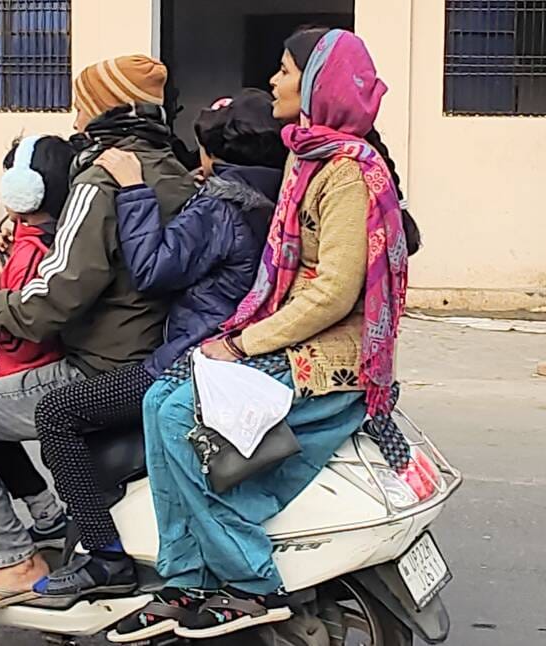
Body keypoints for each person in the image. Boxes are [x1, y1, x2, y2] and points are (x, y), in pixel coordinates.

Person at [111, 28, 419, 642]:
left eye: (284, 71)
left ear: (317, 85)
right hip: (289, 338)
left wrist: (242, 343)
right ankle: (185, 579)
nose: (274, 81)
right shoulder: (310, 159)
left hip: (328, 357)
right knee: (156, 400)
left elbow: (333, 290)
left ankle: (251, 585)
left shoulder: (347, 173)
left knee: (180, 418)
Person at [0, 54, 196, 618]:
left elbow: (52, 300)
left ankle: (13, 558)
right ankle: (49, 518)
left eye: (82, 104)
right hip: (159, 359)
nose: (76, 118)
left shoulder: (99, 184)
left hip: (102, 367)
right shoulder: (177, 175)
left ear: (101, 110)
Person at [31, 89, 287, 598]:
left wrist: (132, 190)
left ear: (215, 153)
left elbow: (151, 270)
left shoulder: (220, 206)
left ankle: (104, 556)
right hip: (238, 350)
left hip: (190, 359)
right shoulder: (275, 196)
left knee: (56, 413)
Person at [0, 134, 77, 584]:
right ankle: (46, 516)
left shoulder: (30, 250)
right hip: (58, 361)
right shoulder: (57, 232)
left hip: (36, 367)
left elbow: (20, 334)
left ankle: (9, 555)